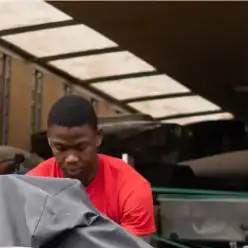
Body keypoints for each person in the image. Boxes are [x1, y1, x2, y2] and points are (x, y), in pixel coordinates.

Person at [27, 94, 155, 239]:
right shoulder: (32, 186)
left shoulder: (132, 189)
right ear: (49, 141)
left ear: (98, 137)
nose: (71, 158)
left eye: (81, 147)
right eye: (60, 148)